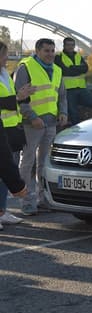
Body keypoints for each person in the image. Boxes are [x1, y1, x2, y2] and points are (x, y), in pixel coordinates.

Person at [15, 38, 68, 216]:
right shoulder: (26, 67)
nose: (51, 54)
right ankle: (26, 202)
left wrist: (63, 112)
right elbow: (19, 97)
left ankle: (44, 199)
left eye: (53, 50)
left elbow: (62, 96)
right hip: (32, 123)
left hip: (51, 122)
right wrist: (32, 117)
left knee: (45, 163)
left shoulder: (58, 70)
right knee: (28, 162)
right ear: (37, 51)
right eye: (47, 51)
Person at [0, 41, 32, 229]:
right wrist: (17, 98)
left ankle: (2, 211)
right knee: (5, 168)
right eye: (4, 54)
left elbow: (13, 99)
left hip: (11, 128)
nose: (7, 58)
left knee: (5, 171)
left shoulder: (5, 74)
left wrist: (23, 95)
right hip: (4, 129)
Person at [54, 37, 92, 125]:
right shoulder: (58, 57)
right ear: (64, 45)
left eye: (72, 45)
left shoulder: (78, 56)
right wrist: (78, 69)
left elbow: (85, 68)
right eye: (68, 45)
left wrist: (72, 68)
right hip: (68, 89)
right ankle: (75, 130)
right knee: (73, 112)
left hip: (81, 88)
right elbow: (64, 71)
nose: (70, 47)